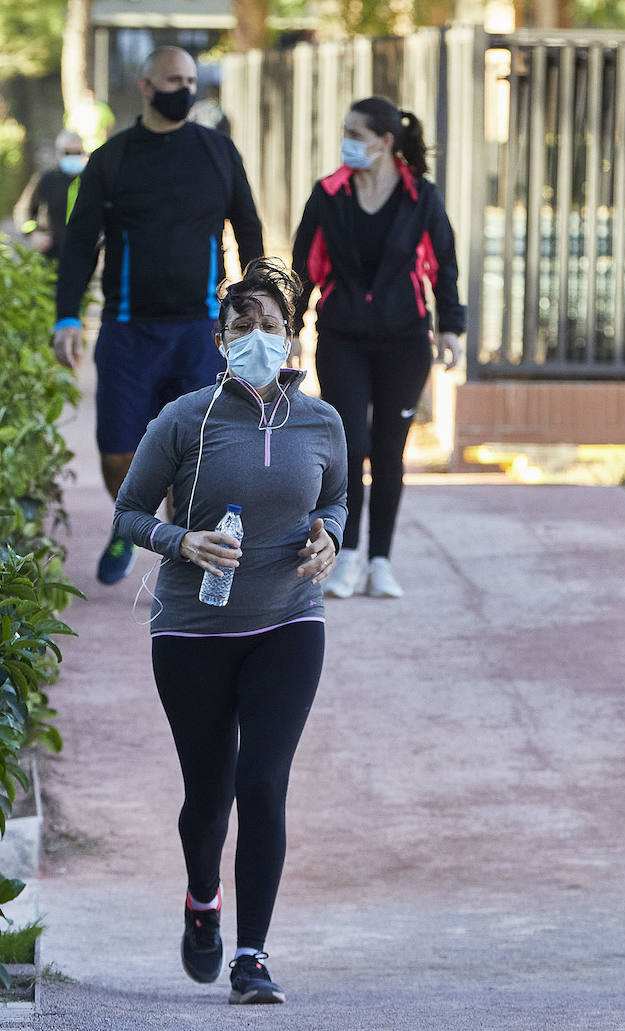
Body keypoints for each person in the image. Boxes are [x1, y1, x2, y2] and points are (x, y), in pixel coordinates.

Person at [111, 257, 347, 1005]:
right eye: (241, 327)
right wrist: (182, 541)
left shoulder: (323, 421)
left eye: (269, 327)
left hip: (288, 619)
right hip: (193, 629)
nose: (255, 338)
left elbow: (339, 497)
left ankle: (252, 956)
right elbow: (127, 512)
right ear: (219, 339)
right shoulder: (184, 419)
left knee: (263, 782)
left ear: (291, 340)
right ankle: (202, 897)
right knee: (210, 796)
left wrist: (332, 538)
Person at [53, 45, 265, 584]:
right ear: (146, 87)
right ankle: (131, 523)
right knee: (117, 453)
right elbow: (79, 243)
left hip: (199, 331)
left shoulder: (218, 152)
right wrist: (67, 318)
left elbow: (249, 231)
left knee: (197, 455)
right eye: (174, 80)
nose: (185, 90)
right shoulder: (113, 158)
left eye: (191, 79)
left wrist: (260, 311)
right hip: (127, 330)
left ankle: (179, 548)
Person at [290, 96, 464, 600]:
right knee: (351, 448)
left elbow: (445, 265)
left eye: (356, 134)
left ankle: (381, 561)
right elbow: (303, 267)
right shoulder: (328, 194)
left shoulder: (420, 197)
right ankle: (345, 555)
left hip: (406, 340)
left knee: (390, 451)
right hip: (342, 336)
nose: (347, 143)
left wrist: (451, 327)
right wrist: (292, 329)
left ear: (385, 142)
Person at [15, 130, 86, 262]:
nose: (73, 157)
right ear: (58, 153)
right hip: (50, 254)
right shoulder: (45, 180)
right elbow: (23, 211)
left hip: (83, 254)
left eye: (77, 153)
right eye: (68, 153)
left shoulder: (91, 181)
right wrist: (34, 233)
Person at [64, 87, 115, 154]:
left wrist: (105, 132)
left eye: (90, 95)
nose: (89, 98)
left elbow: (111, 123)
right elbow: (70, 129)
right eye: (86, 95)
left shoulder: (103, 108)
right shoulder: (76, 110)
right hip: (81, 147)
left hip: (100, 144)